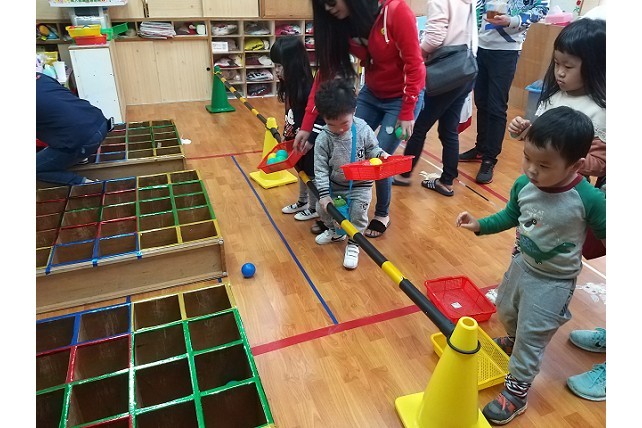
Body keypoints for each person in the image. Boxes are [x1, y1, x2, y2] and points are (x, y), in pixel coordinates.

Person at [455, 107, 606, 425]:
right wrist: (480, 224)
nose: (532, 170)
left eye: (544, 165)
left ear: (576, 166)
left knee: (532, 337)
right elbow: (511, 216)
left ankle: (516, 391)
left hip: (555, 283)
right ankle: (513, 339)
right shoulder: (524, 184)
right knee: (506, 311)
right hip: (521, 265)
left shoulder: (589, 199)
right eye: (527, 158)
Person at [294, 0, 425, 238]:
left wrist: (407, 111)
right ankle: (339, 212)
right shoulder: (343, 23)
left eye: (331, 2)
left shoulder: (395, 11)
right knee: (347, 148)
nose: (328, 9)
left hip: (402, 97)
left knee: (379, 156)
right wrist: (307, 126)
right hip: (371, 93)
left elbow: (415, 64)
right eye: (323, 5)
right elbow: (325, 75)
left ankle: (382, 213)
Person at [392, 0, 478, 196]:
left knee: (420, 126)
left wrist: (415, 54)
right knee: (449, 129)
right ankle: (446, 181)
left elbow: (434, 38)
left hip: (445, 73)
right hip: (465, 69)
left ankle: (404, 175)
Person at [459, 0, 549, 184]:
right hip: (480, 45)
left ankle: (490, 158)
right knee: (481, 102)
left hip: (506, 50)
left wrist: (512, 20)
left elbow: (541, 9)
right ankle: (481, 148)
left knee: (496, 106)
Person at [507, 18, 605, 181]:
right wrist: (525, 130)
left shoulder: (598, 111)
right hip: (534, 178)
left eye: (568, 67)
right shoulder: (554, 95)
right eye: (556, 63)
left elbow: (600, 164)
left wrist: (561, 155)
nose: (559, 72)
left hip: (566, 189)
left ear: (594, 67)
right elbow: (543, 140)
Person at [313, 79, 387, 269]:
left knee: (357, 215)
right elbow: (320, 169)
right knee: (322, 209)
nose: (339, 129)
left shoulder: (362, 128)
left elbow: (372, 148)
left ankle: (354, 243)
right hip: (335, 185)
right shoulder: (323, 138)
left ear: (353, 111)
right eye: (332, 124)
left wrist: (380, 155)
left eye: (344, 123)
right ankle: (335, 232)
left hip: (360, 185)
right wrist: (324, 194)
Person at [270, 36, 327, 232]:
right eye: (275, 66)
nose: (277, 71)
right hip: (297, 141)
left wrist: (310, 139)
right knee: (301, 171)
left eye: (280, 66)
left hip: (311, 143)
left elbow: (321, 118)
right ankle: (303, 202)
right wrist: (287, 135)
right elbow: (291, 113)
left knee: (310, 174)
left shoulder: (307, 87)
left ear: (293, 64)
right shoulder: (289, 85)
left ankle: (313, 207)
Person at [36, 72, 112, 185]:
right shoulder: (40, 77)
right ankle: (79, 158)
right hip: (100, 122)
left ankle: (86, 184)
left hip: (84, 140)